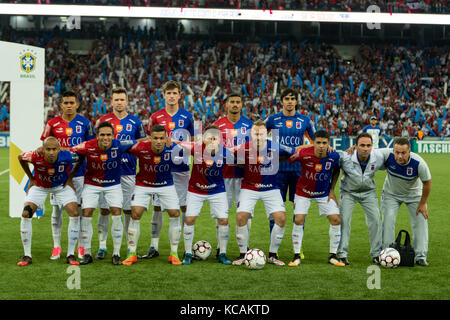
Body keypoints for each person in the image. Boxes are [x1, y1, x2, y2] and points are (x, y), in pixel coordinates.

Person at [71, 121, 137, 265]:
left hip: (113, 185)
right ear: (97, 136)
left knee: (116, 211)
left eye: (108, 135)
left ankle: (116, 253)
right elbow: (68, 150)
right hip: (91, 185)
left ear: (113, 136)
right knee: (87, 212)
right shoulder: (88, 146)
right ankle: (87, 253)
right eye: (102, 135)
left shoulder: (119, 145)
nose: (105, 137)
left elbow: (140, 142)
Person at [232, 120, 296, 267]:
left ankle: (273, 255)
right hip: (249, 188)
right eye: (255, 133)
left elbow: (293, 151)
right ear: (251, 134)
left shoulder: (275, 146)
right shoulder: (243, 147)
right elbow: (226, 153)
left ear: (266, 134)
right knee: (241, 216)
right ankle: (243, 254)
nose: (258, 136)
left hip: (270, 188)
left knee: (281, 218)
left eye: (261, 133)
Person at [40, 90, 95, 260]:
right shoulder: (52, 123)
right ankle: (57, 246)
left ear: (77, 104)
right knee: (56, 209)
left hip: (79, 173)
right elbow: (44, 146)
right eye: (66, 103)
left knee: (77, 209)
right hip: (57, 174)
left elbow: (91, 146)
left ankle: (79, 245)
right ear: (61, 105)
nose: (69, 106)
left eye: (72, 103)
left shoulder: (86, 123)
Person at [142, 80, 194, 259]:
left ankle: (183, 247)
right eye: (168, 93)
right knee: (157, 207)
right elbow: (149, 141)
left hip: (181, 168)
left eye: (175, 93)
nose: (171, 96)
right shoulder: (155, 117)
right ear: (163, 95)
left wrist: (177, 143)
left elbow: (193, 143)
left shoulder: (187, 117)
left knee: (183, 206)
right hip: (160, 169)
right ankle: (153, 246)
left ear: (180, 95)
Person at [95, 87, 147, 260]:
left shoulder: (136, 122)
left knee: (127, 211)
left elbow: (141, 142)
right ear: (111, 102)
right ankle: (102, 246)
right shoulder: (103, 121)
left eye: (121, 99)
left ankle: (129, 247)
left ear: (127, 101)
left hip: (128, 172)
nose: (119, 102)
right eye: (116, 99)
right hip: (106, 172)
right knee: (104, 210)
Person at [121, 125, 183, 266]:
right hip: (143, 184)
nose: (159, 141)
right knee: (135, 214)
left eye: (162, 138)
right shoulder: (140, 147)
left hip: (166, 184)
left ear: (166, 138)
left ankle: (174, 253)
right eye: (155, 138)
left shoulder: (173, 148)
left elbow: (193, 148)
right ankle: (132, 253)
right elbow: (119, 145)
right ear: (150, 138)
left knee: (174, 214)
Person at [265, 88, 315, 259]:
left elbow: (316, 143)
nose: (290, 101)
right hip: (277, 171)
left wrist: (298, 149)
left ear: (296, 101)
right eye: (286, 98)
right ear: (281, 101)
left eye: (293, 98)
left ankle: (297, 247)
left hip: (298, 171)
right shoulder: (272, 120)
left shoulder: (305, 121)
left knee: (299, 210)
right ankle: (274, 247)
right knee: (275, 210)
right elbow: (259, 138)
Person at [17, 137, 82, 266]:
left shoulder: (67, 156)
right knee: (26, 214)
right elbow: (20, 157)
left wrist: (70, 178)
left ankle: (70, 254)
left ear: (59, 149)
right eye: (48, 149)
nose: (51, 152)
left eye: (54, 149)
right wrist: (31, 178)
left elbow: (81, 158)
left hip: (60, 187)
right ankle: (27, 255)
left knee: (74, 213)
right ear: (43, 149)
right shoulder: (35, 156)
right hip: (40, 187)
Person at [176, 125, 234, 265]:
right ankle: (188, 253)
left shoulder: (226, 153)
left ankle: (223, 253)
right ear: (204, 138)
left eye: (215, 138)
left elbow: (240, 162)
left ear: (220, 139)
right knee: (189, 220)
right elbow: (177, 143)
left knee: (224, 221)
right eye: (209, 138)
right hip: (196, 191)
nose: (212, 140)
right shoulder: (195, 148)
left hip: (217, 191)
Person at [287, 130, 344, 267]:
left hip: (323, 193)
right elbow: (289, 158)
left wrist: (331, 190)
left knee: (336, 219)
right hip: (303, 192)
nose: (321, 146)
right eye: (318, 142)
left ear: (328, 144)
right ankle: (296, 256)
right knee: (299, 219)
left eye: (324, 143)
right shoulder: (304, 153)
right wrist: (301, 147)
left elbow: (336, 171)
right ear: (313, 143)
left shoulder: (334, 156)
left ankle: (333, 255)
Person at [379, 137, 432, 266]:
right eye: (397, 152)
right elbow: (368, 152)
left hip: (414, 195)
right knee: (388, 221)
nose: (400, 156)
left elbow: (427, 183)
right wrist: (354, 148)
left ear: (409, 152)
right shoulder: (386, 155)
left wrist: (423, 203)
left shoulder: (419, 163)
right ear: (393, 151)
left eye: (403, 153)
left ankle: (420, 256)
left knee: (420, 220)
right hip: (391, 194)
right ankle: (387, 252)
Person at [213, 93, 253, 258]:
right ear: (226, 105)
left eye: (238, 102)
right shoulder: (217, 125)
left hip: (245, 177)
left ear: (242, 105)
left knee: (245, 212)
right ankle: (219, 248)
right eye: (232, 102)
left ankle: (245, 246)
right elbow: (211, 149)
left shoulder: (250, 125)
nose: (235, 105)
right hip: (223, 175)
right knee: (222, 213)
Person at [336, 132, 385, 265]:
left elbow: (397, 151)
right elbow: (330, 159)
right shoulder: (345, 157)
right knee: (344, 221)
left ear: (372, 146)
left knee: (375, 220)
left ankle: (376, 254)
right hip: (348, 192)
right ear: (355, 146)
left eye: (368, 145)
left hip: (368, 192)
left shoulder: (379, 156)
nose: (365, 148)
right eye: (362, 145)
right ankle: (342, 254)